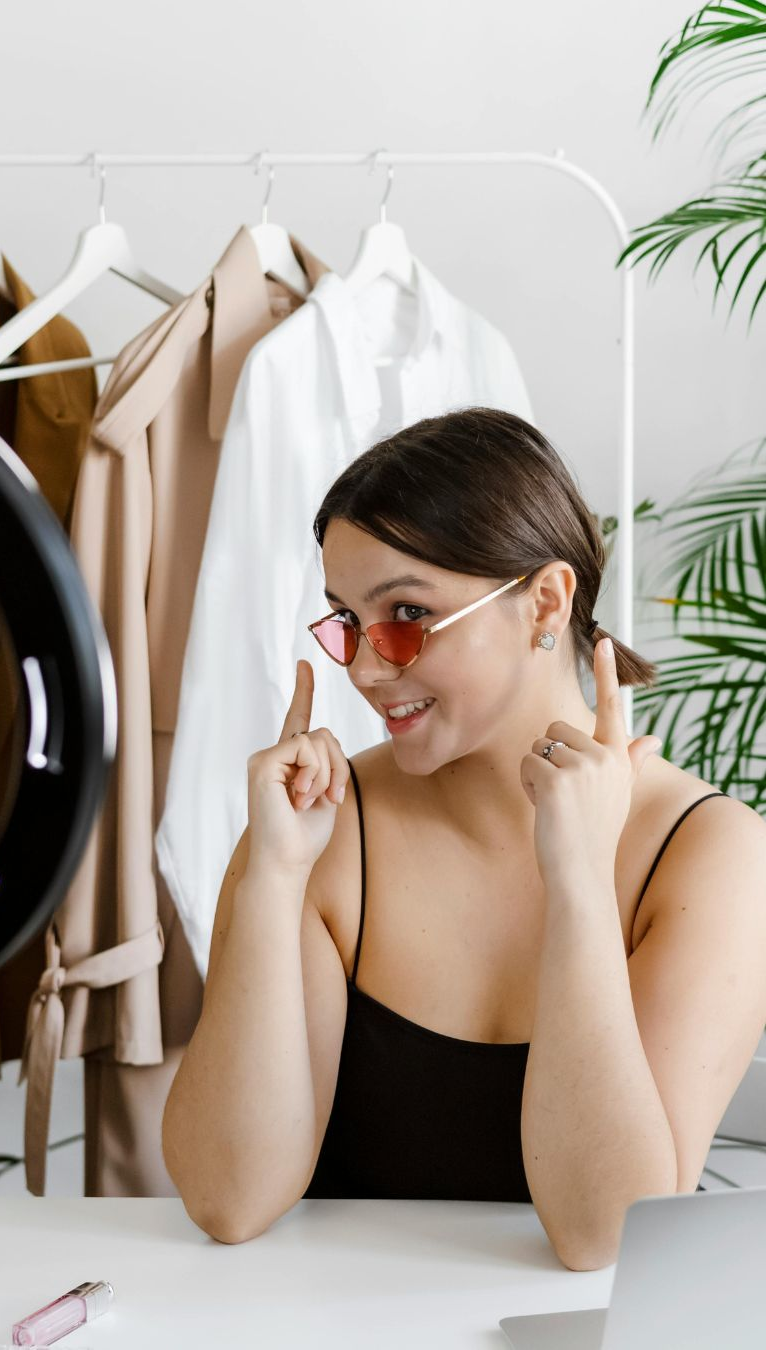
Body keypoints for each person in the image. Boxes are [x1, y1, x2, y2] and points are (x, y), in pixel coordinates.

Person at [161, 406, 766, 1270]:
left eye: (406, 614)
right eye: (345, 622)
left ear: (545, 602)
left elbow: (605, 1234)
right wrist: (271, 880)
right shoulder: (322, 831)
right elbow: (229, 1199)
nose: (369, 668)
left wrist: (582, 885)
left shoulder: (713, 855)